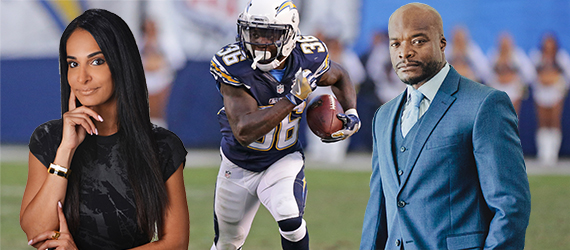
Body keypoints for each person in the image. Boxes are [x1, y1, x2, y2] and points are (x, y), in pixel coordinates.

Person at [360, 3, 531, 250]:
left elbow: (510, 206)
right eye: (396, 43)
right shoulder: (383, 116)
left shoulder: (484, 105)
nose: (404, 52)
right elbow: (378, 213)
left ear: (442, 43)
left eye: (417, 41)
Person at [20, 9, 189, 250]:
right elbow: (36, 233)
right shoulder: (49, 139)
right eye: (73, 64)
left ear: (120, 63)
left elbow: (175, 243)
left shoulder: (162, 146)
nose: (81, 77)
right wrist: (66, 150)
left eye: (96, 61)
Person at [209, 0, 360, 249]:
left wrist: (352, 113)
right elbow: (244, 131)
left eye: (270, 34)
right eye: (254, 32)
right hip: (238, 164)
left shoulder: (307, 57)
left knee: (289, 217)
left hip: (282, 159)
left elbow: (340, 74)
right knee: (227, 243)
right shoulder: (235, 67)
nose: (259, 41)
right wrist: (292, 99)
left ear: (289, 35)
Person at [530, 32, 570, 166]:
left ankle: (553, 153)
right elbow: (531, 75)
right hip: (541, 92)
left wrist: (557, 83)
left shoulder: (561, 58)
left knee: (554, 120)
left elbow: (567, 75)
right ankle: (543, 152)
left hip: (555, 92)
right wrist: (543, 80)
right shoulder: (537, 57)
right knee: (542, 121)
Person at [487, 32, 536, 115]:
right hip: (498, 87)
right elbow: (486, 74)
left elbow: (530, 74)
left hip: (513, 88)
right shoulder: (494, 55)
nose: (505, 47)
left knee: (512, 116)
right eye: (502, 45)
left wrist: (515, 78)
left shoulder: (518, 55)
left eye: (507, 45)